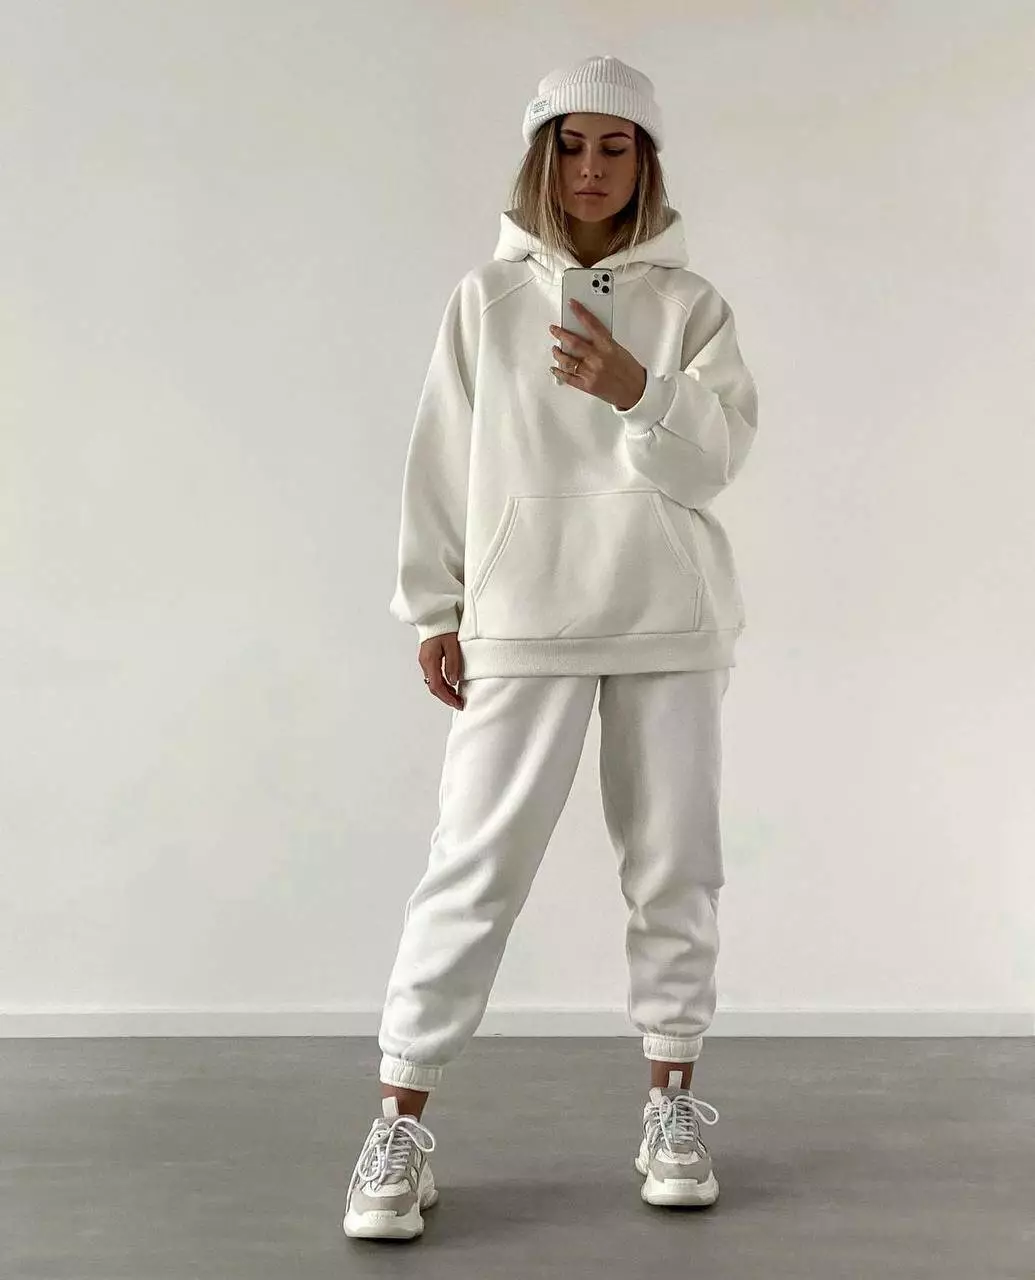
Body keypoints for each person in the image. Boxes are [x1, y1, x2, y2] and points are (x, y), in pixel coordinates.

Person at [344, 54, 759, 1241]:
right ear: (541, 155)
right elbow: (439, 458)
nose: (590, 168)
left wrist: (639, 390)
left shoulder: (692, 306)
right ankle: (396, 1119)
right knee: (472, 867)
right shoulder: (486, 300)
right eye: (570, 144)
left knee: (675, 864)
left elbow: (717, 464)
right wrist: (435, 606)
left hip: (669, 619)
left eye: (615, 146)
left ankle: (671, 1105)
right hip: (522, 617)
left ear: (646, 161)